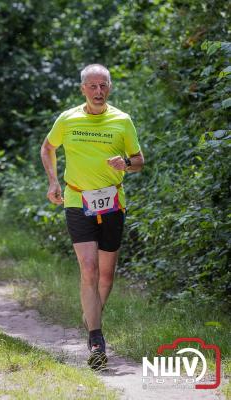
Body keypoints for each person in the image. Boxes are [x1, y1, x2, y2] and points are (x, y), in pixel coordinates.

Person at [41, 64, 144, 370]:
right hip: (77, 200)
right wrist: (53, 181)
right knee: (89, 269)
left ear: (109, 88)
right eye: (93, 86)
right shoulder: (68, 118)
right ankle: (96, 339)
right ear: (83, 89)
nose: (99, 92)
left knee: (107, 275)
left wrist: (125, 163)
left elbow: (139, 161)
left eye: (104, 86)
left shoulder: (122, 120)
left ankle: (91, 317)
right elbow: (48, 147)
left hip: (112, 202)